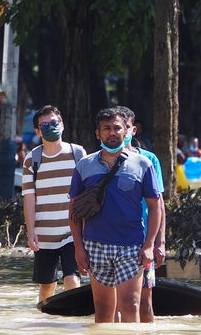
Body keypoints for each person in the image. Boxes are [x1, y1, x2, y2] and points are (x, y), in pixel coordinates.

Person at [69, 107, 161, 323]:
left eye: (117, 128)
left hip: (131, 245)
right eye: (106, 128)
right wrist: (79, 248)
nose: (112, 132)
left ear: (126, 131)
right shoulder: (84, 165)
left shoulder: (143, 164)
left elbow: (156, 206)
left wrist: (150, 244)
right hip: (95, 245)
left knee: (131, 304)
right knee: (103, 311)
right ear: (97, 133)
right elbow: (73, 211)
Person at [22, 105, 85, 302]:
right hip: (44, 235)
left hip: (72, 232)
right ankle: (46, 323)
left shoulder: (78, 154)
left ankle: (71, 326)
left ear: (63, 125)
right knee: (47, 288)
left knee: (72, 281)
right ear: (37, 131)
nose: (51, 127)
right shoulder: (32, 159)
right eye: (45, 125)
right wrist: (31, 231)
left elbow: (87, 192)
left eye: (54, 123)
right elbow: (29, 198)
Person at [120, 107, 167, 323]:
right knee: (113, 303)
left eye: (125, 127)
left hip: (143, 241)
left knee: (145, 300)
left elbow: (159, 204)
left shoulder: (149, 160)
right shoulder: (100, 160)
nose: (121, 132)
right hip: (112, 239)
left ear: (133, 129)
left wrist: (160, 241)